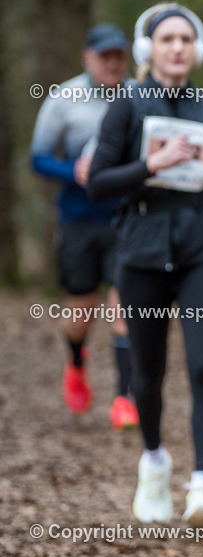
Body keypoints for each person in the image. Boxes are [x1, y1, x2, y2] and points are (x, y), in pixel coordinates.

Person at [88, 4, 203, 526]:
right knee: (148, 376)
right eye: (166, 39)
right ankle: (154, 461)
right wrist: (150, 164)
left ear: (196, 50)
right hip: (143, 252)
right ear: (148, 49)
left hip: (201, 250)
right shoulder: (126, 104)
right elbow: (98, 182)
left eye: (185, 39)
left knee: (202, 365)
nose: (176, 47)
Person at [31, 23, 139, 429]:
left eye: (118, 56)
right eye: (104, 56)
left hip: (125, 218)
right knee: (82, 309)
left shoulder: (137, 95)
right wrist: (70, 170)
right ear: (87, 58)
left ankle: (123, 398)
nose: (112, 63)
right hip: (78, 219)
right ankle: (76, 361)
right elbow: (38, 158)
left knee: (123, 305)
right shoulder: (63, 99)